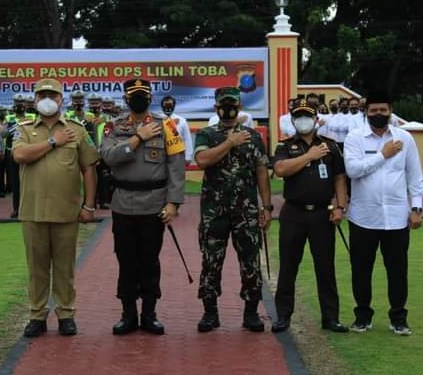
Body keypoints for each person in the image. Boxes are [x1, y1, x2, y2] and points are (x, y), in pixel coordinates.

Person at [13, 78, 99, 338]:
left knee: (64, 268)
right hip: (33, 211)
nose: (47, 99)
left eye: (53, 95)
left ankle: (65, 314)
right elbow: (20, 156)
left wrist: (89, 206)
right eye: (42, 95)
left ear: (62, 99)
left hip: (66, 211)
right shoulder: (24, 129)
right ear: (35, 100)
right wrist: (53, 141)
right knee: (37, 269)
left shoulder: (77, 129)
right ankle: (37, 315)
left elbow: (89, 168)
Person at [100, 79, 186, 335]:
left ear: (150, 98)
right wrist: (138, 138)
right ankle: (128, 314)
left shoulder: (166, 125)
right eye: (133, 95)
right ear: (126, 99)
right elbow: (109, 157)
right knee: (126, 261)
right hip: (123, 204)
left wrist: (173, 203)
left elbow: (176, 165)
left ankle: (149, 314)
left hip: (154, 205)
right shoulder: (113, 127)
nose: (138, 99)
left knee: (150, 261)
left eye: (143, 95)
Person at [344, 89, 423, 336]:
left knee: (398, 271)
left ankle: (398, 318)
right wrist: (383, 154)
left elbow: (415, 175)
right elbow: (353, 170)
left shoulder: (405, 138)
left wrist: (417, 208)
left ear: (391, 111)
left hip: (397, 218)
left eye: (383, 110)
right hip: (363, 218)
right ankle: (363, 316)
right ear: (366, 112)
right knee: (361, 270)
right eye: (373, 110)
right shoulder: (355, 137)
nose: (378, 114)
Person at [194, 86, 272, 333]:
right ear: (216, 108)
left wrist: (266, 206)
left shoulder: (253, 136)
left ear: (239, 108)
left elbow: (261, 171)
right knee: (211, 261)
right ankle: (210, 313)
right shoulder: (206, 134)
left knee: (250, 261)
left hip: (246, 211)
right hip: (214, 211)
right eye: (224, 105)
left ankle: (251, 313)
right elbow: (202, 160)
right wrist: (230, 141)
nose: (228, 110)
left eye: (233, 106)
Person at [271, 100, 348, 333]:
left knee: (325, 267)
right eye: (298, 116)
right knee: (288, 267)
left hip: (322, 214)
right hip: (293, 213)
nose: (303, 120)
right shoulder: (284, 146)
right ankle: (283, 316)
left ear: (316, 120)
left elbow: (339, 178)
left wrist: (340, 207)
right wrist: (310, 156)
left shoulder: (331, 146)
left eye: (307, 116)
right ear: (293, 121)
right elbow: (281, 170)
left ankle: (331, 317)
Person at [160, 95, 194, 165]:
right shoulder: (157, 120)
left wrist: (188, 156)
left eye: (170, 105)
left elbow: (187, 139)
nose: (168, 107)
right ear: (161, 106)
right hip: (161, 155)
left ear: (174, 106)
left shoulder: (182, 121)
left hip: (177, 155)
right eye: (165, 105)